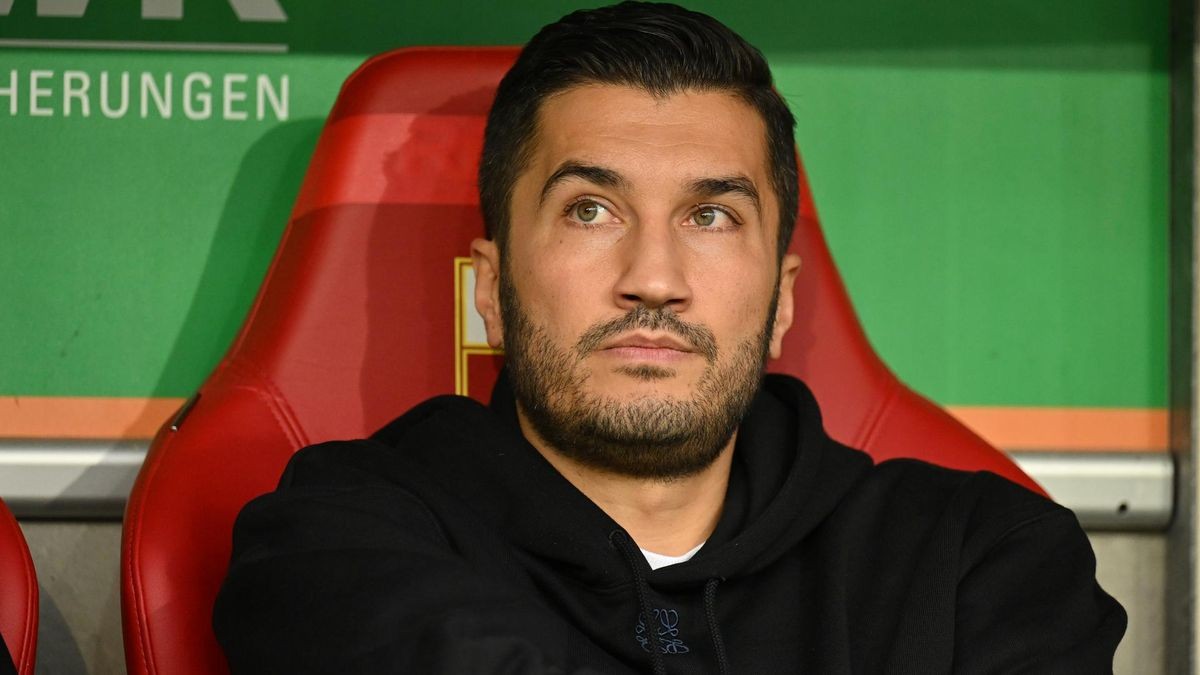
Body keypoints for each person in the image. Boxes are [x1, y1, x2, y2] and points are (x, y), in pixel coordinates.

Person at [213, 3, 1126, 673]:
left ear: (782, 302)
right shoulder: (334, 533)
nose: (653, 276)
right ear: (491, 286)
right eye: (592, 209)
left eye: (713, 216)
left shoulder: (981, 554)